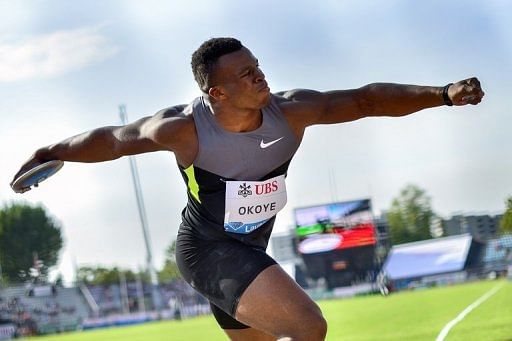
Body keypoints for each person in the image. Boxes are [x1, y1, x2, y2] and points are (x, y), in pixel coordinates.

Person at [11, 37, 484, 340]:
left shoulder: (291, 110)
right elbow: (113, 140)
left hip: (251, 249)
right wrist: (52, 150)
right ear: (215, 92)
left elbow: (364, 100)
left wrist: (440, 94)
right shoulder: (181, 129)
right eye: (244, 74)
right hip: (209, 249)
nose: (259, 76)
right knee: (308, 326)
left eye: (256, 66)